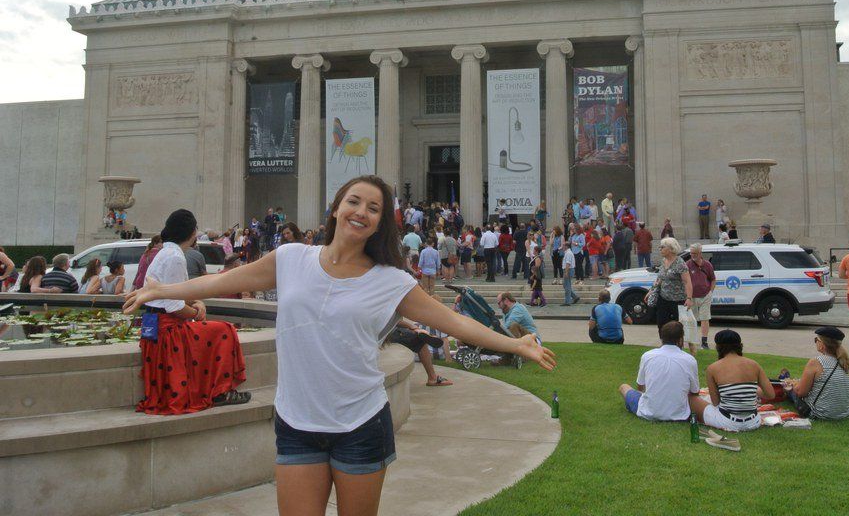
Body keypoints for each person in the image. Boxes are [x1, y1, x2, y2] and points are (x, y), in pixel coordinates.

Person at [123, 176, 555, 516]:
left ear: (380, 222)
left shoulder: (392, 281)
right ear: (336, 208)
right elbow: (221, 282)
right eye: (354, 201)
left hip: (359, 425)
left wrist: (516, 346)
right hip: (297, 424)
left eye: (374, 208)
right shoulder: (292, 258)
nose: (361, 211)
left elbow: (454, 321)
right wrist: (163, 290)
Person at [132, 208, 249, 415]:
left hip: (154, 329)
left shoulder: (163, 253)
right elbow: (174, 306)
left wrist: (196, 301)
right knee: (224, 330)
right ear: (192, 232)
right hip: (168, 333)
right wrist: (196, 313)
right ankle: (220, 392)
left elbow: (174, 292)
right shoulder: (175, 257)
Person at [688, 330, 774, 432]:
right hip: (753, 422)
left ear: (718, 347)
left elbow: (715, 402)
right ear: (740, 345)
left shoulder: (713, 368)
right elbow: (770, 395)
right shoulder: (754, 364)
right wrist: (750, 390)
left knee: (692, 398)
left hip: (727, 422)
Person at [618, 321, 698, 422]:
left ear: (662, 338)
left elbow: (640, 387)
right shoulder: (689, 360)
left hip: (648, 411)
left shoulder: (647, 356)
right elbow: (694, 392)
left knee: (624, 387)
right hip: (679, 414)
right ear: (681, 339)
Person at [782, 326, 849, 420]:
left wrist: (794, 385)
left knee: (790, 388)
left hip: (819, 413)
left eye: (816, 339)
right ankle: (791, 380)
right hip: (845, 413)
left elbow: (801, 393)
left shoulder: (816, 362)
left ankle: (786, 380)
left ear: (821, 344)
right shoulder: (845, 364)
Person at [388, 320, 453, 387]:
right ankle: (432, 378)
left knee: (414, 335)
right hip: (390, 332)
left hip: (389, 331)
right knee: (420, 341)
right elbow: (394, 321)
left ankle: (419, 333)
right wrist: (414, 327)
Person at [647, 238, 692, 327]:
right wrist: (651, 291)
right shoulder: (663, 261)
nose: (660, 249)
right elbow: (660, 279)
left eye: (662, 247)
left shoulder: (680, 263)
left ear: (671, 249)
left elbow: (687, 282)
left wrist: (689, 298)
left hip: (678, 300)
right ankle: (664, 341)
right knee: (661, 324)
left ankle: (677, 341)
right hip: (663, 298)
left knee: (677, 326)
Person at [686, 243, 716, 350]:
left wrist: (710, 292)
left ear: (700, 253)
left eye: (695, 253)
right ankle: (692, 341)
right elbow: (684, 281)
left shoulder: (707, 265)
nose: (692, 255)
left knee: (705, 318)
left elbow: (713, 279)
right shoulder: (688, 265)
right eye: (691, 253)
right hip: (692, 296)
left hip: (705, 295)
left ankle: (704, 341)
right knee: (692, 319)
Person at [560, 242, 578, 306]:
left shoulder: (568, 253)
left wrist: (566, 272)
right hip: (569, 269)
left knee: (567, 286)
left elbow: (568, 263)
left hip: (568, 269)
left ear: (566, 246)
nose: (562, 247)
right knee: (566, 285)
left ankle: (567, 301)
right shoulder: (568, 253)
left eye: (563, 245)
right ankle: (575, 296)